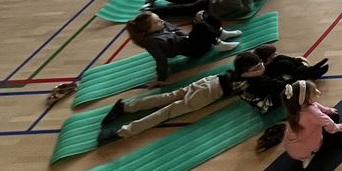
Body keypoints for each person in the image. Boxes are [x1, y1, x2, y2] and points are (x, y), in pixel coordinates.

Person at [99, 51, 266, 142]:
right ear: (247, 71)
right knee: (166, 112)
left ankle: (125, 107)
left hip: (210, 81)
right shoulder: (245, 79)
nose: (261, 68)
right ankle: (123, 132)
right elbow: (257, 81)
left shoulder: (241, 71)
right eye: (257, 67)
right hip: (208, 93)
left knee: (168, 97)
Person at [125, 11, 239, 86]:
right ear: (148, 30)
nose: (162, 21)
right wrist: (161, 78)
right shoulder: (151, 42)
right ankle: (219, 44)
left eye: (159, 19)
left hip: (190, 40)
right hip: (194, 49)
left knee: (204, 15)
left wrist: (193, 27)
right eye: (157, 22)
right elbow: (160, 60)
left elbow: (176, 30)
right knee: (200, 26)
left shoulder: (161, 26)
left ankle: (220, 34)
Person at [283, 80, 342, 169]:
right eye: (314, 93)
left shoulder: (298, 107)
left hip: (294, 145)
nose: (317, 92)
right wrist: (335, 128)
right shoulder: (311, 113)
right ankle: (310, 155)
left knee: (334, 115)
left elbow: (316, 105)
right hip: (303, 150)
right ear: (307, 99)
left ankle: (307, 152)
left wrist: (328, 110)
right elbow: (327, 122)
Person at [253, 44, 329, 82]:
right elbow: (295, 73)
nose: (276, 53)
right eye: (274, 54)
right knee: (303, 72)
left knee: (282, 58)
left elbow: (290, 59)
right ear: (268, 58)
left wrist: (296, 59)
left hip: (293, 68)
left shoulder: (278, 58)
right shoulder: (272, 67)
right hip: (291, 76)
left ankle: (312, 68)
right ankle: (312, 74)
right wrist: (304, 65)